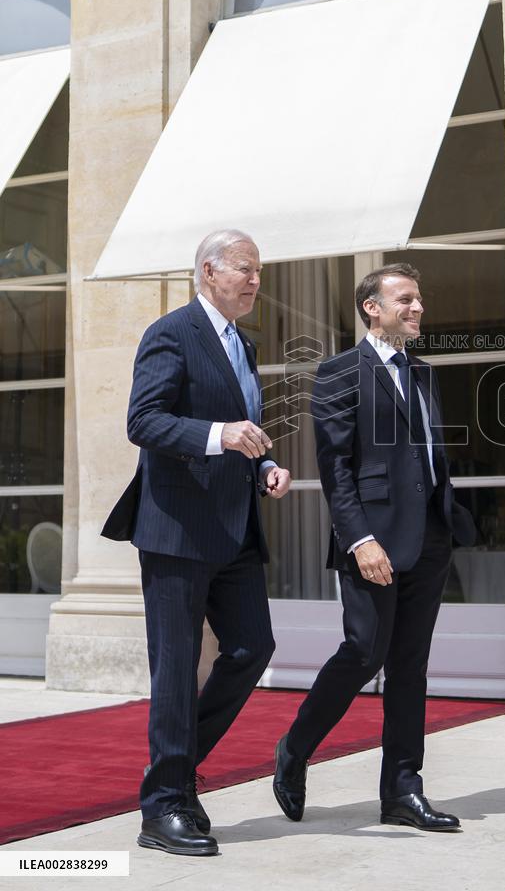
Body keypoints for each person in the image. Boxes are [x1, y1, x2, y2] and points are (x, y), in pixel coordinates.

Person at [102, 229, 291, 856]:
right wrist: (221, 435)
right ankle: (163, 810)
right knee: (178, 669)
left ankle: (174, 775)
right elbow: (144, 420)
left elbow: (244, 432)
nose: (255, 281)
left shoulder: (245, 344)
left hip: (234, 529)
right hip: (178, 530)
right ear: (209, 271)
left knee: (251, 648)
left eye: (259, 272)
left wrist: (262, 466)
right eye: (245, 269)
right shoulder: (171, 332)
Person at [273, 263, 475, 832]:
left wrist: (447, 517)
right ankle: (295, 746)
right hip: (372, 541)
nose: (417, 308)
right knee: (365, 652)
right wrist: (359, 538)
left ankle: (402, 792)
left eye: (419, 299)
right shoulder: (339, 374)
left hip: (431, 538)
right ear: (372, 308)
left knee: (410, 666)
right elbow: (335, 469)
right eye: (405, 300)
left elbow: (428, 457)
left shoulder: (424, 374)